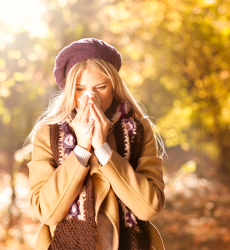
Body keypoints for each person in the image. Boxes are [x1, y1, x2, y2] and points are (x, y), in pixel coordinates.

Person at [26, 38, 166, 250]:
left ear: (114, 86)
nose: (90, 98)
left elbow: (149, 207)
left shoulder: (138, 129)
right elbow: (47, 212)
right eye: (80, 89)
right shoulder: (48, 133)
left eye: (100, 87)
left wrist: (103, 149)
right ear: (69, 90)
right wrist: (81, 149)